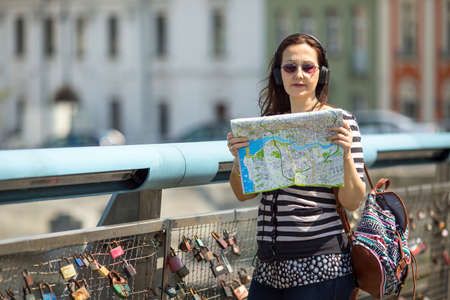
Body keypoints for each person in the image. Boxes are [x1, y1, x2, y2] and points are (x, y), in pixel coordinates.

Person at [226, 33, 366, 300]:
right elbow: (244, 194)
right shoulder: (265, 125)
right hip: (269, 269)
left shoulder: (340, 123)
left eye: (308, 67)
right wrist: (238, 161)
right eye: (290, 67)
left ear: (320, 74)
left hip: (321, 268)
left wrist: (346, 154)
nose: (298, 74)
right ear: (280, 75)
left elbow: (353, 201)